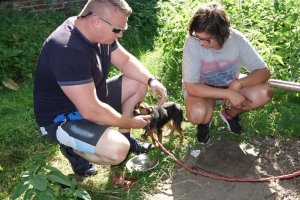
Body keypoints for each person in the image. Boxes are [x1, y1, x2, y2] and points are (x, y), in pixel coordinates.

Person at [33, 0, 167, 177]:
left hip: (91, 99)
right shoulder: (67, 49)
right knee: (118, 151)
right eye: (117, 29)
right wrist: (130, 122)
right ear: (96, 21)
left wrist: (151, 80)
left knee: (139, 80)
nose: (120, 35)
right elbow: (91, 111)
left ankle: (125, 135)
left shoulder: (94, 31)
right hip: (63, 119)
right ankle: (72, 148)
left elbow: (126, 61)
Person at [182, 2, 272, 144]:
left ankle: (230, 114)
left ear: (222, 34)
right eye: (198, 37)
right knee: (197, 114)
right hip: (203, 89)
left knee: (264, 93)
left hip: (229, 84)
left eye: (206, 39)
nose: (201, 43)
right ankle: (205, 122)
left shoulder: (236, 39)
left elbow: (264, 72)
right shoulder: (192, 42)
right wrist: (228, 94)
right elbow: (191, 86)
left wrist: (238, 84)